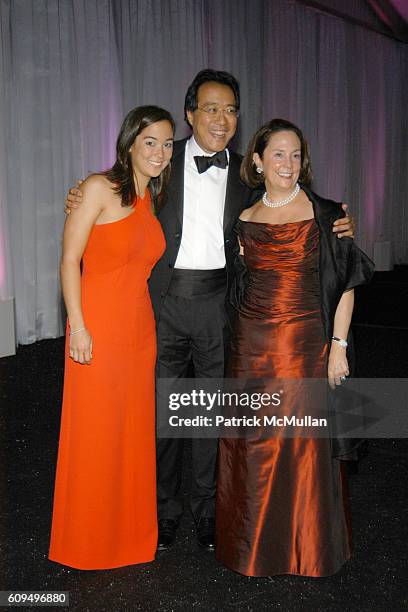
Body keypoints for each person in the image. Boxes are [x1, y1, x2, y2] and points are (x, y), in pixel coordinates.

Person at [64, 70, 355, 552]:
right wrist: (80, 193)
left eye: (231, 111)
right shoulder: (161, 159)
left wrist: (336, 220)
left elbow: (292, 204)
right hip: (159, 304)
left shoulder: (247, 173)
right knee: (159, 409)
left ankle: (204, 509)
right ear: (190, 113)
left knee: (206, 413)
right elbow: (112, 190)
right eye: (211, 109)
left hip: (221, 306)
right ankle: (160, 509)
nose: (222, 120)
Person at [215, 118, 374, 577]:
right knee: (254, 446)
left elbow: (345, 283)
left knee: (302, 444)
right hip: (249, 346)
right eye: (279, 154)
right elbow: (235, 281)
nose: (289, 163)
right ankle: (253, 546)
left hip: (305, 344)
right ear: (259, 161)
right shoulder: (243, 216)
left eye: (296, 155)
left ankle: (307, 547)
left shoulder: (325, 213)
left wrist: (338, 346)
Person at [49, 106, 175, 569]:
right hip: (97, 327)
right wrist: (77, 326)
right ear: (128, 144)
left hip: (139, 331)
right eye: (150, 142)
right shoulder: (98, 187)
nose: (159, 152)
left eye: (166, 144)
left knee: (130, 434)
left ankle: (126, 537)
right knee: (95, 433)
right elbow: (69, 261)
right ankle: (86, 540)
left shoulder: (150, 200)